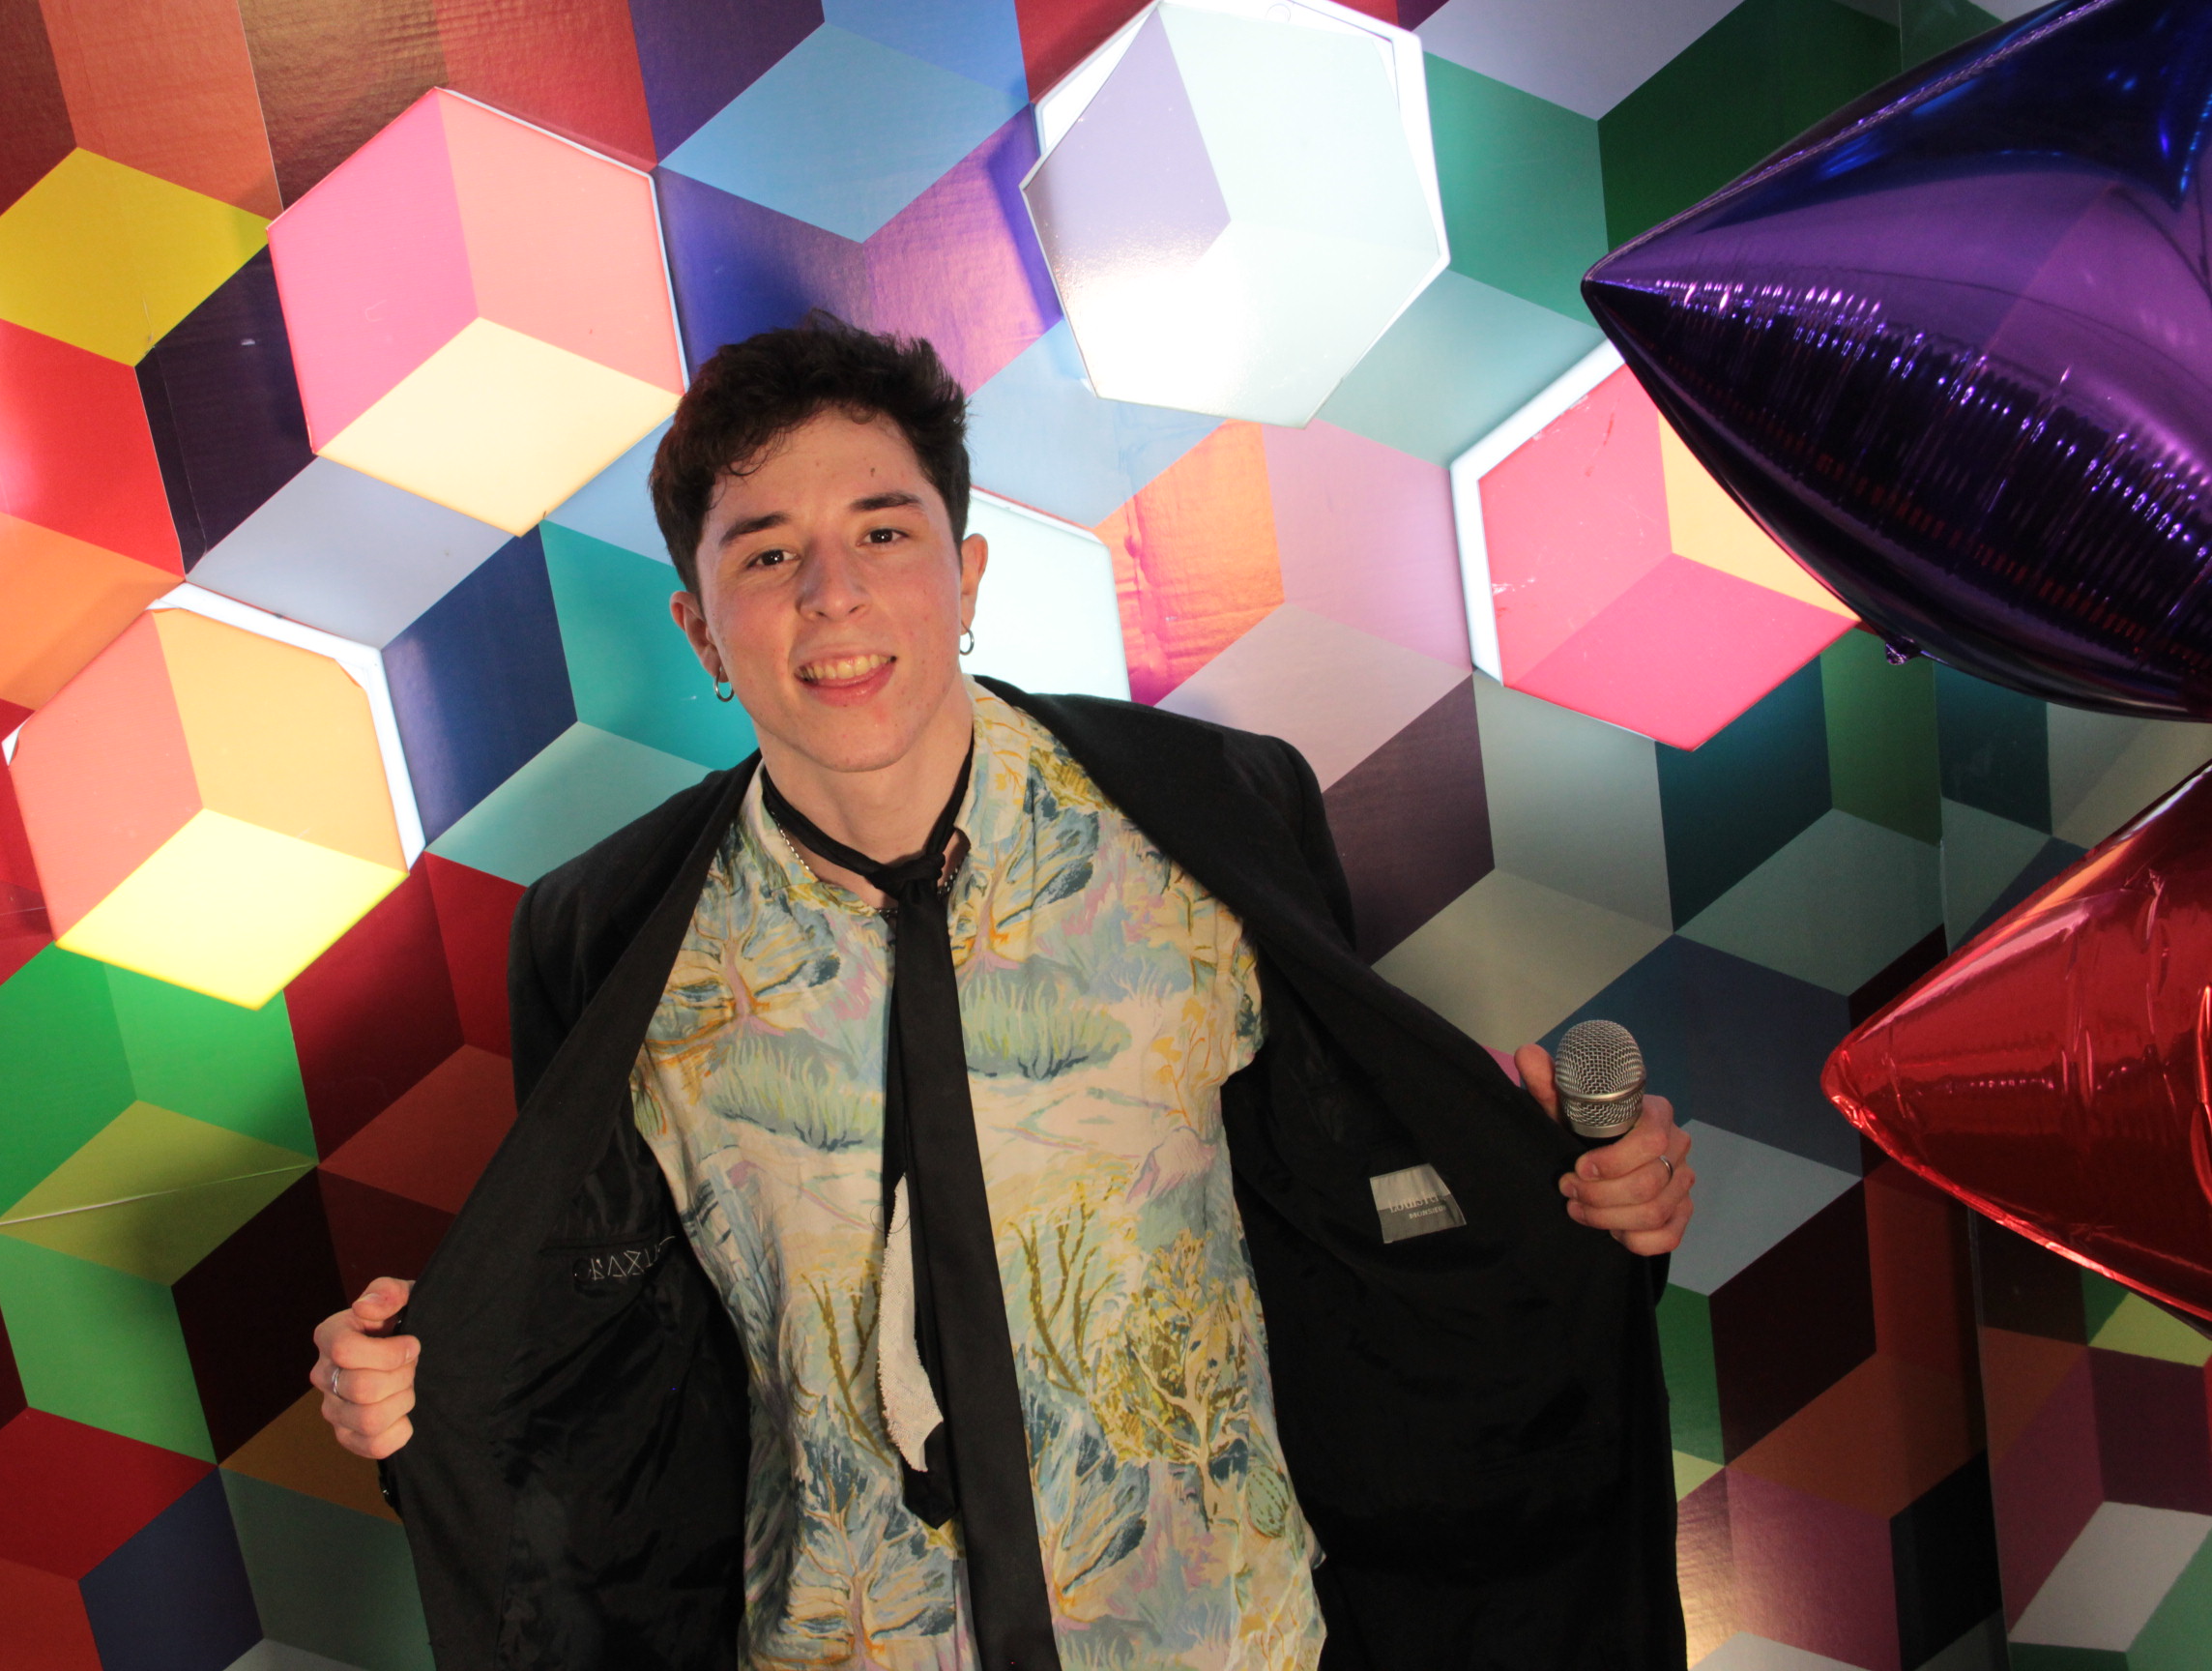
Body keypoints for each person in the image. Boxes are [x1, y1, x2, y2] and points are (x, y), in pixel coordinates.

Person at [313, 316, 1696, 1671]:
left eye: (884, 532)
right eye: (769, 552)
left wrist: (1568, 1203)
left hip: (1226, 1639)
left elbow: (1350, 1208)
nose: (833, 593)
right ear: (700, 630)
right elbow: (601, 1362)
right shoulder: (603, 939)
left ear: (967, 574)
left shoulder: (1211, 816)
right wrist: (417, 1394)